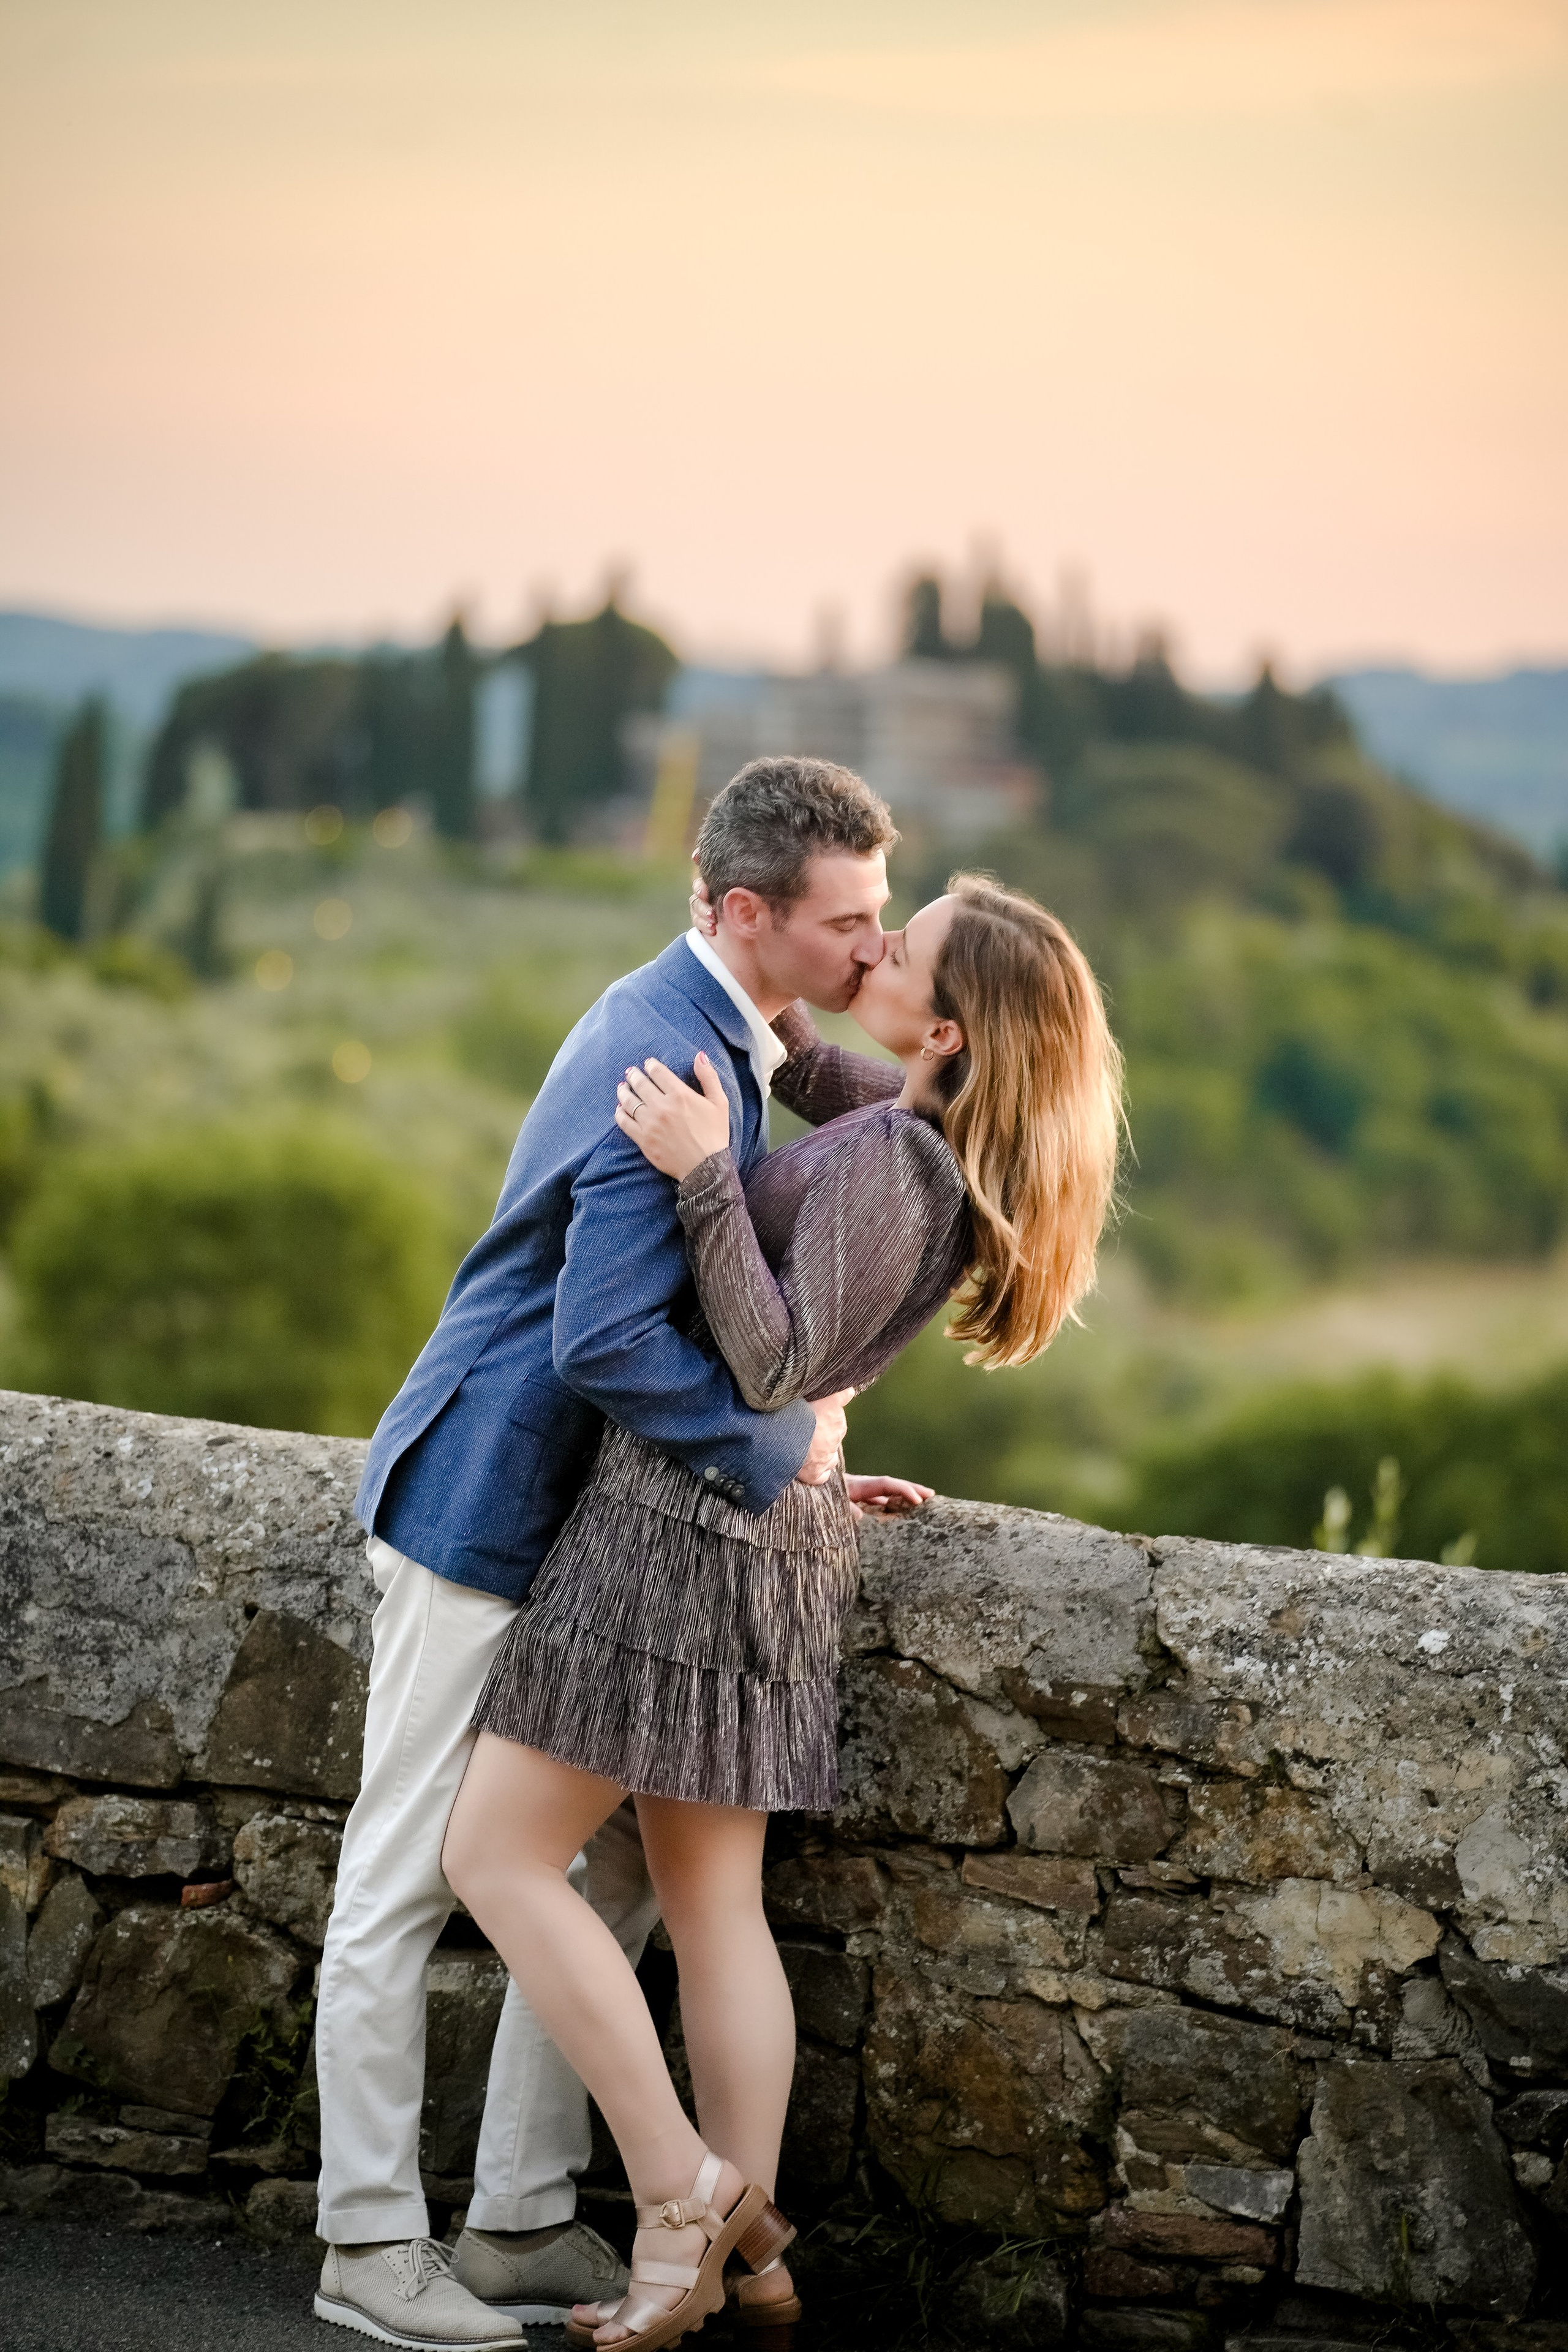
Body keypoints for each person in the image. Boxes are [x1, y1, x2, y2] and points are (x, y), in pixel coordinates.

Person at [440, 871, 1125, 2351]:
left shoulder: (896, 1161)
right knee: (710, 1903)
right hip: (767, 1538)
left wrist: (699, 1171)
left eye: (902, 942)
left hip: (678, 1543)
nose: (875, 945)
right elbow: (806, 1066)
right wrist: (757, 964)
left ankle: (685, 2192)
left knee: (492, 1854)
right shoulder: (926, 1125)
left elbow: (765, 1367)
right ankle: (746, 2265)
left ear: (942, 1026)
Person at [314, 758, 905, 2350]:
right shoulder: (666, 1039)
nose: (873, 948)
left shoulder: (728, 1038)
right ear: (743, 913)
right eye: (849, 920)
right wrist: (780, 1453)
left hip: (586, 1517)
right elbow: (605, 1340)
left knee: (590, 1879)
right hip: (483, 1493)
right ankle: (367, 2250)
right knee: (400, 1881)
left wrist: (793, 1481)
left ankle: (514, 2222)